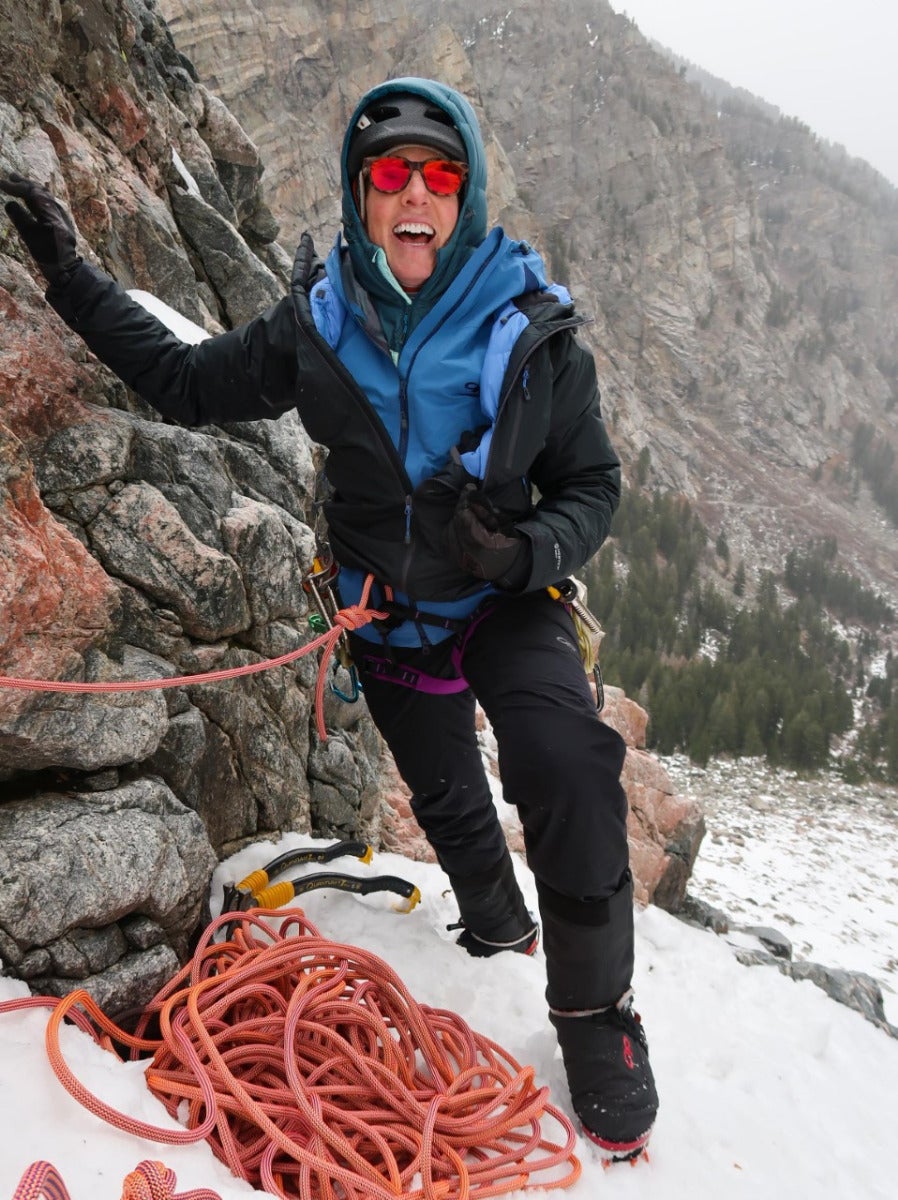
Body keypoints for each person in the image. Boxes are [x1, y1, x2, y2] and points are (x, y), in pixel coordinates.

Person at [1, 77, 658, 1160]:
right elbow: (183, 379)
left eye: (437, 174)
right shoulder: (318, 325)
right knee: (446, 797)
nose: (413, 193)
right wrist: (70, 278)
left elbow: (591, 485)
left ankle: (596, 1022)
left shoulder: (530, 330)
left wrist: (525, 548)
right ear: (359, 194)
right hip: (384, 610)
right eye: (388, 173)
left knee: (569, 763)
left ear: (468, 193)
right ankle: (496, 923)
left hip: (504, 598)